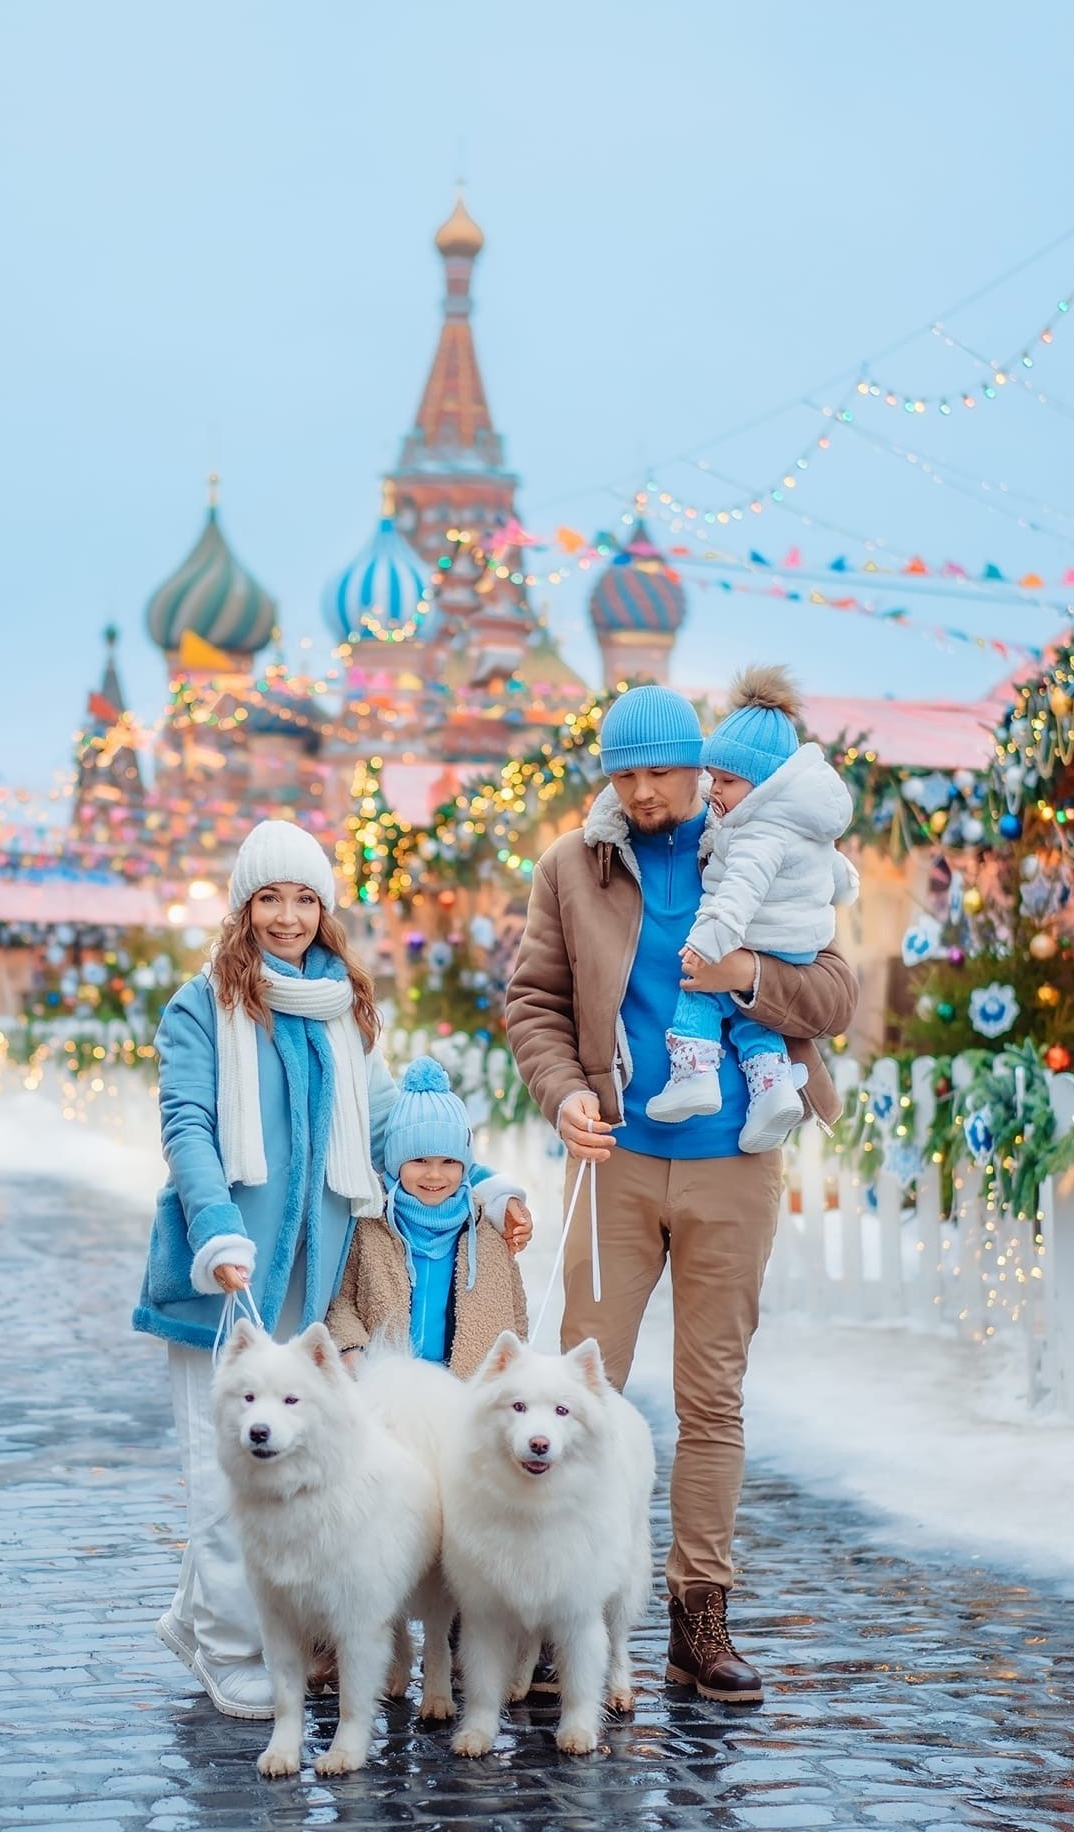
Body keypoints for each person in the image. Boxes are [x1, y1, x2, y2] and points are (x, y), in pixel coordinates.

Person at [505, 682, 856, 1705]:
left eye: (659, 771)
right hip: (612, 1160)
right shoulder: (570, 867)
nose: (641, 791)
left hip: (734, 1159)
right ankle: (557, 1611)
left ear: (700, 768)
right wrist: (565, 1092)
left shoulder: (759, 839)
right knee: (578, 1394)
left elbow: (834, 995)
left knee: (711, 1398)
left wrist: (747, 974)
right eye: (623, 775)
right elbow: (532, 1002)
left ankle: (698, 1619)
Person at [132, 819, 399, 1721]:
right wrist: (216, 1230)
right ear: (243, 907)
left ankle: (194, 1618)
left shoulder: (340, 1008)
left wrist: (476, 1179)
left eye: (305, 899)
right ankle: (231, 1648)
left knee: (287, 1473)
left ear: (325, 909)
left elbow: (384, 1120)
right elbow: (188, 1126)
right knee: (225, 1479)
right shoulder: (200, 1006)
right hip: (224, 1280)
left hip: (311, 1282)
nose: (287, 916)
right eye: (270, 898)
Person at [645, 665, 860, 1152]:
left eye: (727, 781)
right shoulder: (800, 823)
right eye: (712, 778)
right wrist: (843, 888)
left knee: (700, 990)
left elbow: (737, 894)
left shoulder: (757, 834)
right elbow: (834, 872)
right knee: (753, 1018)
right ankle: (773, 1088)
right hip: (794, 942)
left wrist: (707, 946)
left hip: (758, 936)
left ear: (764, 785)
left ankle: (694, 1076)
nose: (714, 790)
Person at [326, 1055, 532, 1378]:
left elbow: (514, 1312)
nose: (435, 1175)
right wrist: (351, 1348)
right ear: (396, 1162)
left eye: (449, 1161)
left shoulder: (484, 1232)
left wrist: (513, 1372)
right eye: (420, 1160)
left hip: (465, 1386)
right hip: (384, 1382)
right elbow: (339, 1299)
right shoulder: (371, 1226)